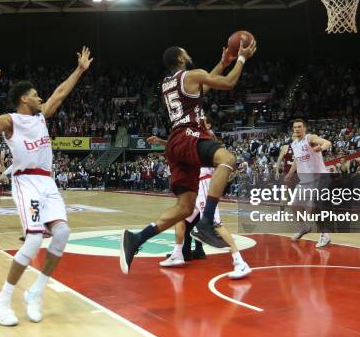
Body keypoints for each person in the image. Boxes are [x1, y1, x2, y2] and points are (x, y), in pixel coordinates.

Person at [0, 48, 93, 326]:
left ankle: (36, 292)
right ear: (24, 98)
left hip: (47, 180)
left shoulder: (41, 116)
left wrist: (79, 70)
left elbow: (61, 93)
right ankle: (1, 301)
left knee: (62, 232)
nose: (41, 97)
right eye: (36, 94)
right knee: (34, 239)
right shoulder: (11, 121)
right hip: (26, 180)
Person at [120, 38, 257, 274]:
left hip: (174, 143)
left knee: (184, 208)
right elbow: (227, 83)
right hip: (189, 134)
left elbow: (205, 85)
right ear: (181, 58)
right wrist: (242, 58)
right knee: (227, 159)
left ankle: (136, 239)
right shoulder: (190, 75)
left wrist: (223, 63)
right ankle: (206, 222)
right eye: (186, 52)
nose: (189, 53)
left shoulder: (167, 83)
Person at [148, 117, 251, 279]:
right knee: (179, 218)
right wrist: (161, 141)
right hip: (196, 185)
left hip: (204, 184)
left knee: (216, 225)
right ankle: (177, 254)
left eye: (202, 119)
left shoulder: (206, 136)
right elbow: (181, 146)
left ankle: (240, 262)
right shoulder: (193, 135)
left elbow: (200, 145)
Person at [285, 118, 333, 248]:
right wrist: (290, 174)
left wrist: (321, 147)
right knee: (294, 205)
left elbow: (327, 142)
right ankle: (304, 227)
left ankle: (324, 235)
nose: (297, 129)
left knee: (313, 207)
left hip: (319, 178)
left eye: (300, 127)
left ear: (304, 128)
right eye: (295, 127)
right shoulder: (294, 144)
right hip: (305, 180)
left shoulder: (310, 138)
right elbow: (296, 160)